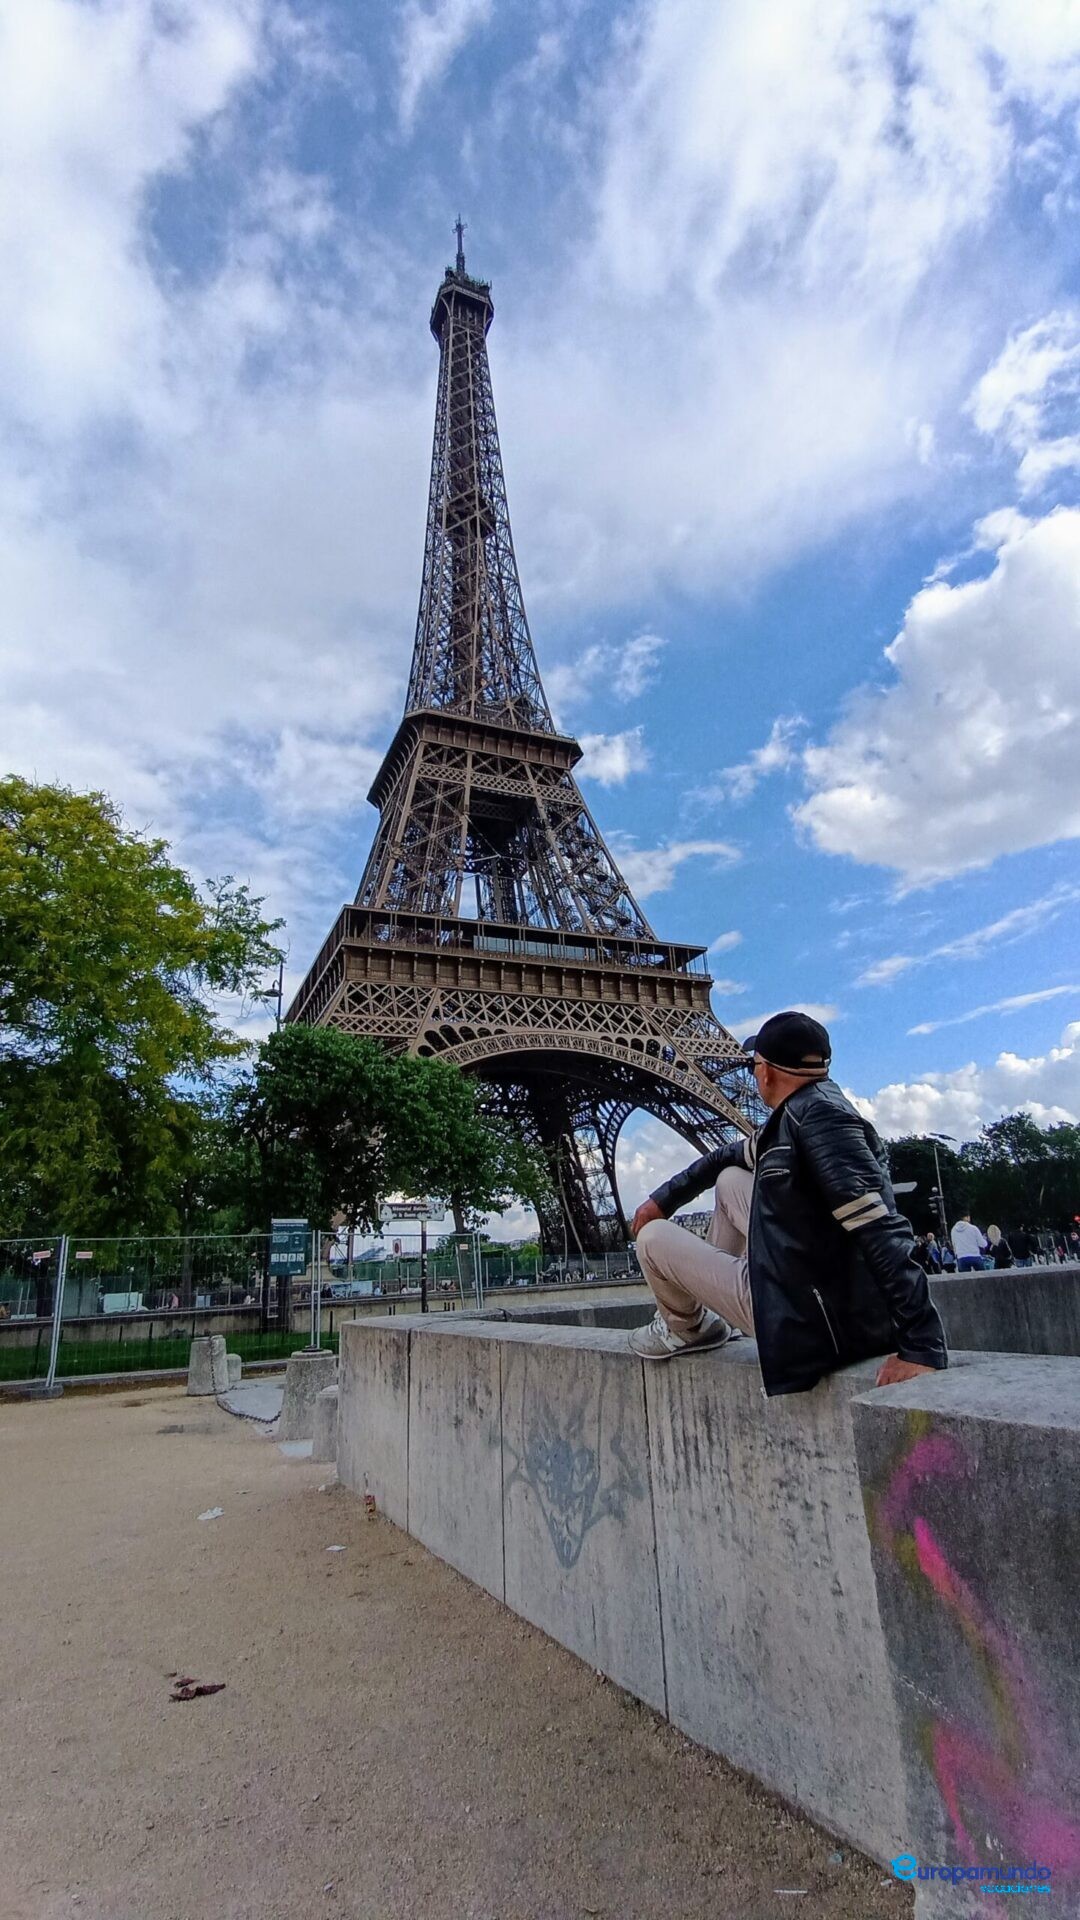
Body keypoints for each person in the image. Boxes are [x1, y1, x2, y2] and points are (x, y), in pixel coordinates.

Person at [628, 1011, 948, 1395]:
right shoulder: (805, 1111)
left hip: (804, 1316)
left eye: (753, 1065)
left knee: (652, 1238)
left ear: (766, 1072)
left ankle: (688, 1328)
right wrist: (665, 1198)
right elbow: (726, 1157)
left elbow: (882, 1230)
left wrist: (922, 1345)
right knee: (731, 1181)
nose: (753, 1073)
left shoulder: (822, 1122)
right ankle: (710, 1315)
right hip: (812, 1287)